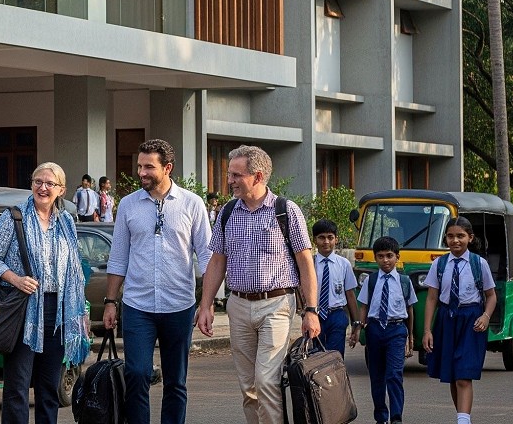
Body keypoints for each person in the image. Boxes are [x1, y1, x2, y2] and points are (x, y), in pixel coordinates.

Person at [196, 145, 321, 424]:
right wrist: (205, 306)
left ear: (258, 176)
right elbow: (217, 261)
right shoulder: (227, 213)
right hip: (238, 306)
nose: (230, 181)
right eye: (230, 174)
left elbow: (305, 262)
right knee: (248, 387)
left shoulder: (285, 211)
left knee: (266, 380)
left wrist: (311, 310)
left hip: (276, 304)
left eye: (236, 175)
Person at [101, 139, 212, 424]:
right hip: (138, 306)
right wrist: (110, 302)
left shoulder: (192, 203)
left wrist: (207, 303)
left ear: (168, 168)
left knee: (176, 381)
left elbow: (209, 258)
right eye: (139, 166)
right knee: (137, 373)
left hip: (179, 306)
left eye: (149, 166)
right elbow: (118, 257)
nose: (142, 172)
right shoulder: (127, 205)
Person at [0, 162, 91, 424]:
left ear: (61, 190)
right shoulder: (14, 216)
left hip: (57, 311)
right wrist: (16, 279)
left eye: (49, 183)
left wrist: (80, 311)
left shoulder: (66, 221)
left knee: (49, 387)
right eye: (37, 182)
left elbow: (74, 267)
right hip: (23, 308)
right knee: (17, 386)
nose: (42, 187)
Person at [421, 217, 497, 424]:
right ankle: (462, 417)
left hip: (471, 321)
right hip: (447, 319)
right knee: (454, 376)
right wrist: (427, 330)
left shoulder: (478, 264)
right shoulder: (439, 264)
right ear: (445, 238)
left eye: (460, 236)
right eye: (451, 236)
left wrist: (486, 315)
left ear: (470, 238)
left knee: (464, 374)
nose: (455, 240)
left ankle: (464, 421)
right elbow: (432, 298)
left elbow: (491, 295)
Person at [351, 236, 415, 424]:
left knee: (394, 375)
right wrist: (357, 329)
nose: (385, 260)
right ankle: (381, 416)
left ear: (397, 257)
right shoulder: (370, 281)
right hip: (375, 330)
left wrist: (410, 337)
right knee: (377, 377)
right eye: (380, 256)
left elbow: (410, 310)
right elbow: (364, 307)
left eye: (389, 256)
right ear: (375, 258)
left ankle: (396, 418)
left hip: (396, 330)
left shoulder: (404, 282)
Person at [312, 219, 359, 355]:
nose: (326, 242)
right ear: (315, 240)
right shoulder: (310, 264)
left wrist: (356, 323)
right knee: (316, 355)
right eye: (321, 238)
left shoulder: (344, 264)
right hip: (316, 314)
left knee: (335, 356)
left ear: (336, 239)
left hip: (337, 314)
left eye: (330, 237)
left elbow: (350, 294)